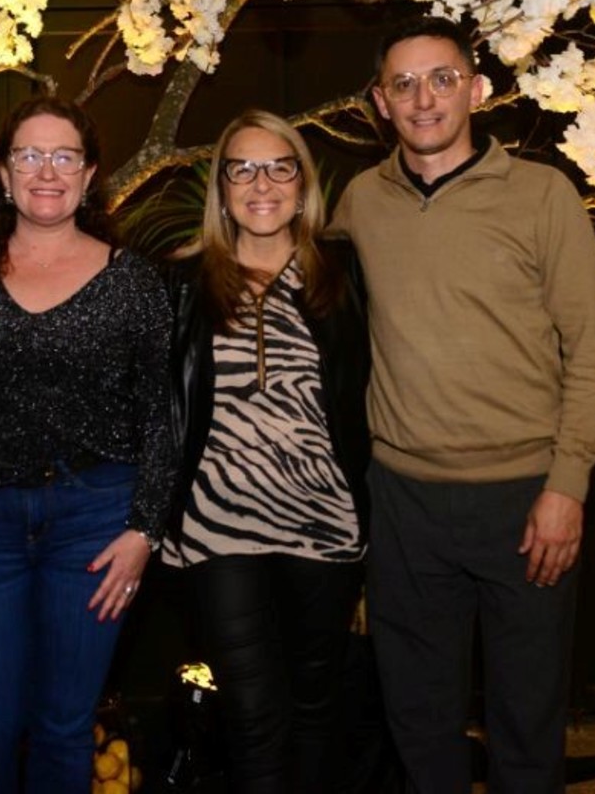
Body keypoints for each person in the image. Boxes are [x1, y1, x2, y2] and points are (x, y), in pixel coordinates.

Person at [331, 16, 595, 794]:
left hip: (524, 500)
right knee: (418, 717)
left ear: (477, 89)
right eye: (403, 84)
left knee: (527, 719)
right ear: (379, 103)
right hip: (402, 502)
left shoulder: (540, 195)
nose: (424, 99)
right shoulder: (359, 202)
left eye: (443, 78)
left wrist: (566, 486)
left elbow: (591, 347)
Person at [0, 95, 176, 794]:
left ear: (88, 174)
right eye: (28, 155)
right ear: (3, 175)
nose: (46, 170)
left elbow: (162, 413)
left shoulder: (134, 279)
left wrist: (143, 530)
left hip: (95, 526)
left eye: (63, 155)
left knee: (65, 725)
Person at [161, 109, 371, 794]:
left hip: (323, 524)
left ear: (301, 183)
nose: (261, 183)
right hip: (218, 529)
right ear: (221, 188)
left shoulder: (343, 276)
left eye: (278, 166)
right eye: (241, 168)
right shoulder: (182, 283)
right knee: (252, 714)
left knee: (315, 707)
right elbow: (159, 410)